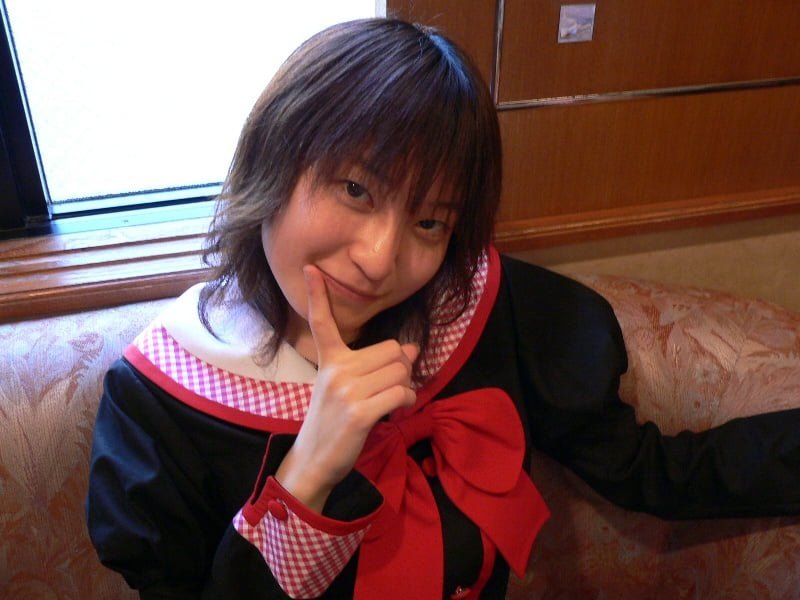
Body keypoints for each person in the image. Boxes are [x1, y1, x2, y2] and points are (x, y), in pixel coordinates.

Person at [86, 17, 800, 600]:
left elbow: (655, 471)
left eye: (429, 222)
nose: (379, 258)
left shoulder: (484, 311)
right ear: (272, 156)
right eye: (356, 189)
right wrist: (308, 473)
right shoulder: (159, 404)